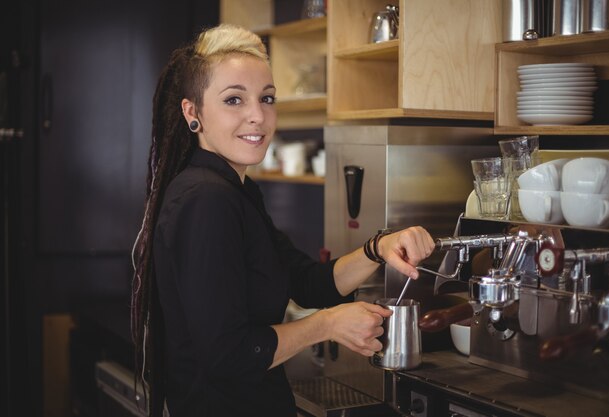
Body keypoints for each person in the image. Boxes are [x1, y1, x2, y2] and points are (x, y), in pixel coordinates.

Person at [130, 23, 435, 417]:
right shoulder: (207, 199)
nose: (258, 115)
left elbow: (310, 283)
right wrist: (326, 326)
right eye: (234, 100)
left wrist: (379, 248)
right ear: (193, 112)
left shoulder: (236, 191)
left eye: (267, 98)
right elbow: (227, 354)